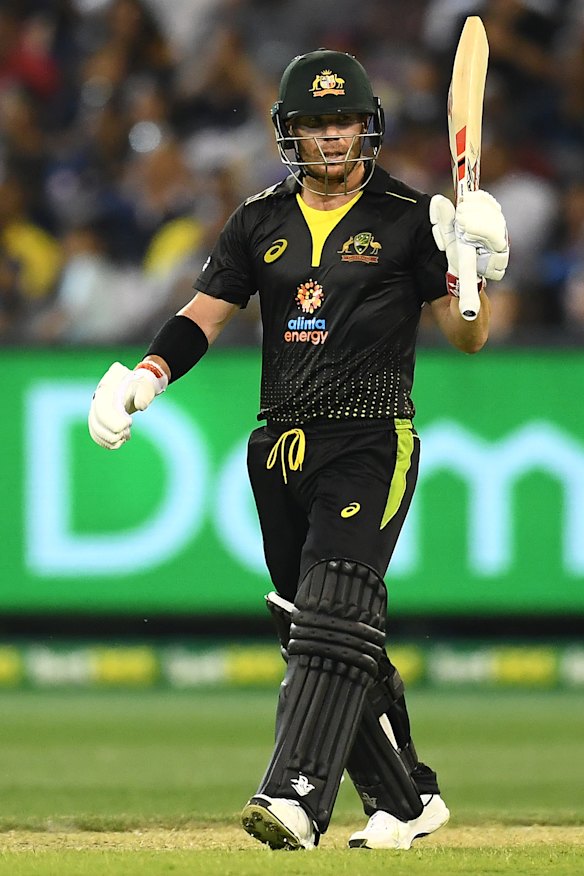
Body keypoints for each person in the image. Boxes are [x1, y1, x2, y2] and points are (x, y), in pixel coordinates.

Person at [88, 49, 509, 851]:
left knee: (332, 604)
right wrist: (145, 378)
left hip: (372, 435)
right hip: (280, 444)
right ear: (289, 131)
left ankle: (295, 795)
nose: (329, 137)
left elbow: (470, 336)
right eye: (314, 123)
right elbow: (205, 313)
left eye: (342, 120)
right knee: (321, 628)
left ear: (368, 126)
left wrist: (475, 270)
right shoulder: (259, 218)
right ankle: (408, 799)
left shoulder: (414, 216)